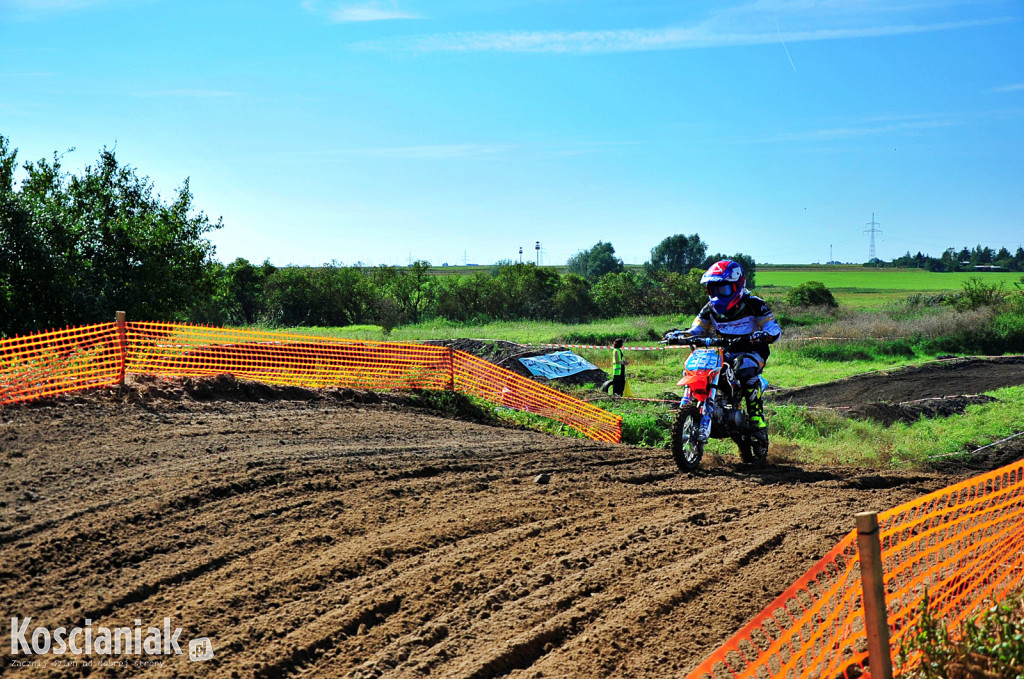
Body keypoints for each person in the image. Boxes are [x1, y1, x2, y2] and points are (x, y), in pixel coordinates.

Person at [684, 260, 781, 443]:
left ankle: (756, 419)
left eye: (723, 289)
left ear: (737, 286)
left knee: (745, 368)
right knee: (701, 369)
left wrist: (763, 335)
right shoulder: (710, 308)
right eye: (713, 290)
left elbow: (774, 329)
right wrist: (682, 335)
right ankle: (706, 408)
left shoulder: (754, 304)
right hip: (724, 353)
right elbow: (695, 329)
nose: (717, 294)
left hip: (752, 351)